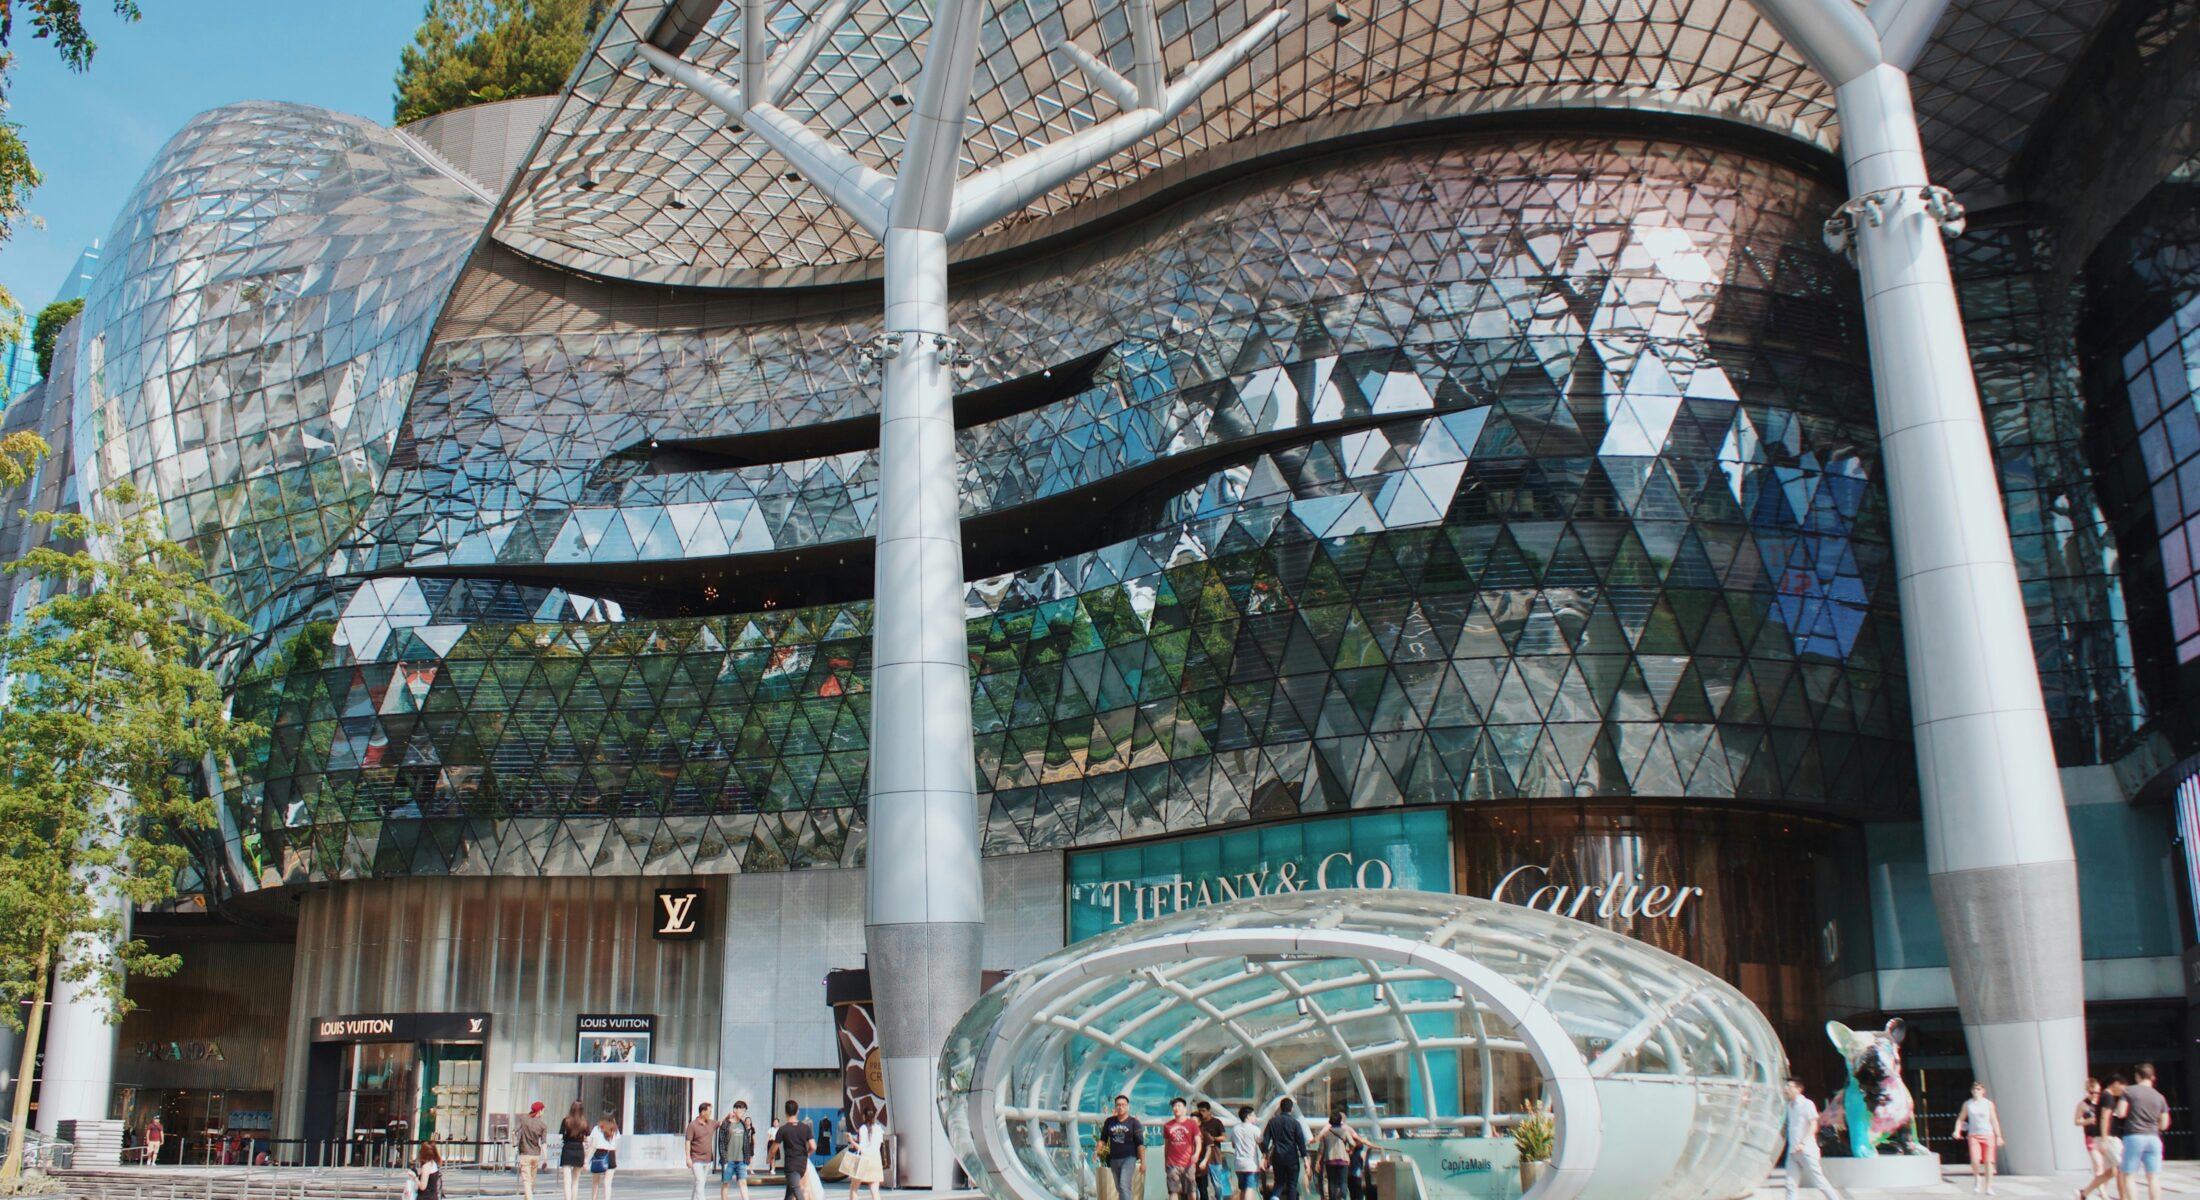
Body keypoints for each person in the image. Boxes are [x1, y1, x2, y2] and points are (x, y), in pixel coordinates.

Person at [1782, 1078, 1846, 1200]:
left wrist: (1803, 1142)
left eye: (1790, 1087)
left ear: (1799, 1089)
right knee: (1790, 1184)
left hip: (1806, 1150)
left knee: (1819, 1181)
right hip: (1793, 1151)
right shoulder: (1790, 1106)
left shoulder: (1807, 1104)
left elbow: (1813, 1125)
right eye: (1786, 1087)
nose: (1787, 1089)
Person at [2114, 1063, 2171, 1200]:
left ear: (2137, 1076)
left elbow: (2121, 1112)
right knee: (2153, 1177)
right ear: (2153, 1077)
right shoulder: (2160, 1097)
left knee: (2129, 1175)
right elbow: (2164, 1125)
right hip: (2153, 1138)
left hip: (2134, 1136)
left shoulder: (2129, 1091)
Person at [1952, 1082, 2004, 1195]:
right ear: (1971, 1091)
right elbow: (1960, 1118)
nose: (1976, 1091)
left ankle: (1989, 1186)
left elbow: (1994, 1120)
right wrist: (1957, 1130)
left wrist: (1998, 1136)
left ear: (1983, 1091)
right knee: (1975, 1160)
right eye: (1974, 1089)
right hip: (1974, 1135)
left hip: (1988, 1134)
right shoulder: (1968, 1104)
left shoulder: (1988, 1104)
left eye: (1979, 1089)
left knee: (1988, 1162)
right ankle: (1977, 1179)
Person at [1260, 1099, 1308, 1200]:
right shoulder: (1295, 1123)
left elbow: (1265, 1140)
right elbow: (1301, 1142)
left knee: (1278, 1183)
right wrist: (1306, 1159)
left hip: (1277, 1157)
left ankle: (1274, 1198)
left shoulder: (1272, 1122)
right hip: (1292, 1158)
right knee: (1292, 1185)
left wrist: (1264, 1157)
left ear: (1280, 1108)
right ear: (1292, 1109)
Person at [1101, 1095, 1144, 1200]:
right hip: (1114, 1159)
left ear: (1127, 1106)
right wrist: (1097, 1150)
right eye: (1118, 1105)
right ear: (1115, 1107)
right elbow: (1103, 1139)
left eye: (1123, 1105)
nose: (1120, 1107)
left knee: (1124, 1185)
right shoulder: (1109, 1121)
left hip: (1129, 1157)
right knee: (1120, 1188)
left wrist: (1143, 1162)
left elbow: (1140, 1144)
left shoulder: (1134, 1122)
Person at [2076, 1079, 2112, 1200]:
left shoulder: (2102, 1102)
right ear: (2088, 1091)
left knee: (2107, 1167)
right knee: (2099, 1165)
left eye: (2097, 1092)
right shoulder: (2083, 1104)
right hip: (2091, 1137)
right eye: (2092, 1093)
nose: (2095, 1095)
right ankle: (2104, 1195)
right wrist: (2087, 1121)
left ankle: (2097, 1191)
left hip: (2102, 1137)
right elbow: (2076, 1121)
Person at [773, 1100, 815, 1200]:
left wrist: (769, 1157)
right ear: (797, 1111)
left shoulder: (783, 1129)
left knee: (796, 1189)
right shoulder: (805, 1128)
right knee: (790, 1191)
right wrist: (807, 1154)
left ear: (786, 1112)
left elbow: (774, 1148)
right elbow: (813, 1146)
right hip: (802, 1165)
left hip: (791, 1164)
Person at [1163, 1098, 1202, 1200]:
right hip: (1172, 1163)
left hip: (1188, 1163)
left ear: (1185, 1109)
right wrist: (1165, 1161)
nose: (1176, 1108)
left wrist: (1196, 1154)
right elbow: (1167, 1146)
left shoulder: (1192, 1124)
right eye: (1174, 1106)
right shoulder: (1167, 1125)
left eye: (1179, 1106)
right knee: (1173, 1191)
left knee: (1191, 1191)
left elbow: (1198, 1142)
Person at [1315, 1111, 1358, 1200]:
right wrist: (1350, 1151)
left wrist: (1317, 1162)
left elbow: (1321, 1149)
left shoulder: (1326, 1134)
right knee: (1343, 1182)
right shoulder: (1345, 1132)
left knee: (1332, 1183)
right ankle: (1343, 1198)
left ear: (1330, 1121)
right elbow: (1353, 1144)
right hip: (1343, 1160)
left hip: (1330, 1161)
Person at [720, 1100, 758, 1200]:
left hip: (741, 1160)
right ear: (735, 1110)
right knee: (726, 1183)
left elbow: (746, 1142)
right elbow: (722, 1142)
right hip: (728, 1160)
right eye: (741, 1110)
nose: (742, 1113)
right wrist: (724, 1159)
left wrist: (748, 1157)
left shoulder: (743, 1124)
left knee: (743, 1182)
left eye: (744, 1111)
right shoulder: (726, 1124)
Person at [1193, 1101, 1227, 1200]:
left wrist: (1213, 1138)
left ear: (1209, 1111)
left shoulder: (1216, 1122)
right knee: (1201, 1185)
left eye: (1203, 1111)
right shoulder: (1199, 1124)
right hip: (1201, 1159)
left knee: (1217, 1183)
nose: (1202, 1113)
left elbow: (1224, 1137)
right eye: (1200, 1111)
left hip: (1214, 1158)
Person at [848, 1112, 885, 1200]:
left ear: (864, 1116)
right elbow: (879, 1144)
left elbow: (861, 1148)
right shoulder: (879, 1128)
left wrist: (851, 1140)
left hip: (864, 1159)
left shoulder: (862, 1128)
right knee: (875, 1191)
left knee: (854, 1188)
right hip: (876, 1159)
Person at [559, 1101, 591, 1200]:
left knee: (566, 1181)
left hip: (567, 1149)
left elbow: (560, 1137)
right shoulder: (584, 1122)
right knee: (575, 1181)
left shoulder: (566, 1120)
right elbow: (588, 1140)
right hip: (579, 1150)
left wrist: (566, 1136)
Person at [517, 1101, 549, 1200]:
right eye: (543, 1110)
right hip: (536, 1154)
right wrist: (545, 1159)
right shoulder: (543, 1125)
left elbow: (515, 1131)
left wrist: (515, 1142)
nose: (543, 1112)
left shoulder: (523, 1119)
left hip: (525, 1153)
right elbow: (543, 1143)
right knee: (531, 1181)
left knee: (527, 1181)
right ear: (539, 1111)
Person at [1228, 1106, 1261, 1200]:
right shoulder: (1255, 1129)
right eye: (1253, 1115)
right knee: (1250, 1188)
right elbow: (1260, 1142)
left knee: (1242, 1189)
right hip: (1251, 1164)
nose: (1255, 1117)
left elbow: (1233, 1145)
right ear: (1247, 1116)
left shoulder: (1235, 1129)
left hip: (1238, 1164)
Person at [689, 1102, 719, 1200]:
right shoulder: (692, 1125)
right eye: (709, 1112)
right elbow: (687, 1142)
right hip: (696, 1158)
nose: (710, 1114)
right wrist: (688, 1158)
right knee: (700, 1181)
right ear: (703, 1112)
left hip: (707, 1159)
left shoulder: (711, 1123)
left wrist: (729, 1116)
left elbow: (721, 1123)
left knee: (699, 1182)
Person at [588, 1116, 621, 1200]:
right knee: (607, 1183)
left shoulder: (597, 1128)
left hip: (599, 1154)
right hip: (611, 1154)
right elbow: (616, 1146)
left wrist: (586, 1158)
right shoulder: (615, 1130)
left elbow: (593, 1145)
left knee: (595, 1182)